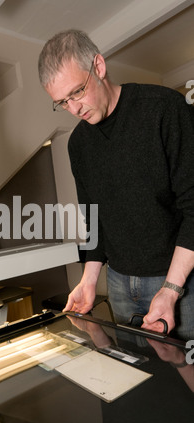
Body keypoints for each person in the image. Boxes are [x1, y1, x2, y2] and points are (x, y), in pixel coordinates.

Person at [38, 29, 194, 341]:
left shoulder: (166, 109)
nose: (74, 109)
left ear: (98, 67)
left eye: (77, 92)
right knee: (142, 378)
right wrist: (88, 281)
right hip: (120, 284)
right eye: (62, 102)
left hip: (180, 281)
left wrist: (171, 289)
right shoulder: (78, 144)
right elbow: (93, 219)